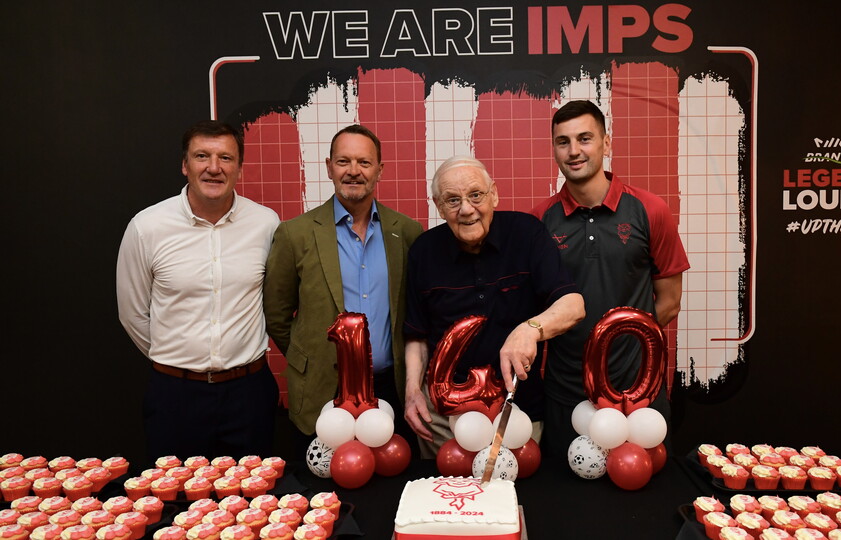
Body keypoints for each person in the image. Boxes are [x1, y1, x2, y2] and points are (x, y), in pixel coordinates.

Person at [531, 100, 691, 458]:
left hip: (637, 391)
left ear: (607, 143)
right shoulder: (540, 220)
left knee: (641, 499)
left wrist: (622, 346)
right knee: (567, 504)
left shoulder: (651, 210)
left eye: (585, 138)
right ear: (554, 149)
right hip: (566, 391)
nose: (574, 151)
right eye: (563, 141)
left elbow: (669, 301)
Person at [117, 120, 281, 460]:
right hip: (175, 397)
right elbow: (132, 313)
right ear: (184, 165)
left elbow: (274, 301)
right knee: (177, 502)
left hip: (248, 395)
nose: (214, 168)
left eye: (225, 158)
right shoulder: (147, 227)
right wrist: (179, 361)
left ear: (239, 166)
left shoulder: (266, 224)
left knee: (255, 504)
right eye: (202, 156)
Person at [403, 156, 585, 457]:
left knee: (513, 497)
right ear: (438, 205)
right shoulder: (423, 251)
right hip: (442, 420)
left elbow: (573, 305)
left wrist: (530, 330)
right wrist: (411, 393)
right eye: (452, 200)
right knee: (445, 500)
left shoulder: (527, 233)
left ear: (494, 194)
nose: (466, 209)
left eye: (476, 195)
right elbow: (416, 335)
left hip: (518, 412)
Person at [263, 124, 423, 453]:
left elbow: (416, 311)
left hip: (390, 389)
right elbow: (277, 313)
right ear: (328, 167)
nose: (353, 171)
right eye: (343, 161)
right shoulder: (296, 234)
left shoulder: (407, 232)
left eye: (364, 163)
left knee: (390, 490)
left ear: (380, 170)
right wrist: (309, 358)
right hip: (323, 388)